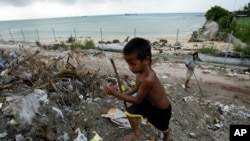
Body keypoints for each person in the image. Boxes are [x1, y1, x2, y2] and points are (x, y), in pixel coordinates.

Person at [103, 37, 172, 141]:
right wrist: (126, 93)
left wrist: (115, 94)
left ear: (146, 60)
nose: (130, 68)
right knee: (130, 112)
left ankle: (166, 137)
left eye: (133, 64)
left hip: (162, 109)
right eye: (128, 64)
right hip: (148, 102)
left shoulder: (149, 78)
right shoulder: (140, 72)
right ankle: (138, 134)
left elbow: (137, 100)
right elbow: (137, 87)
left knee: (163, 128)